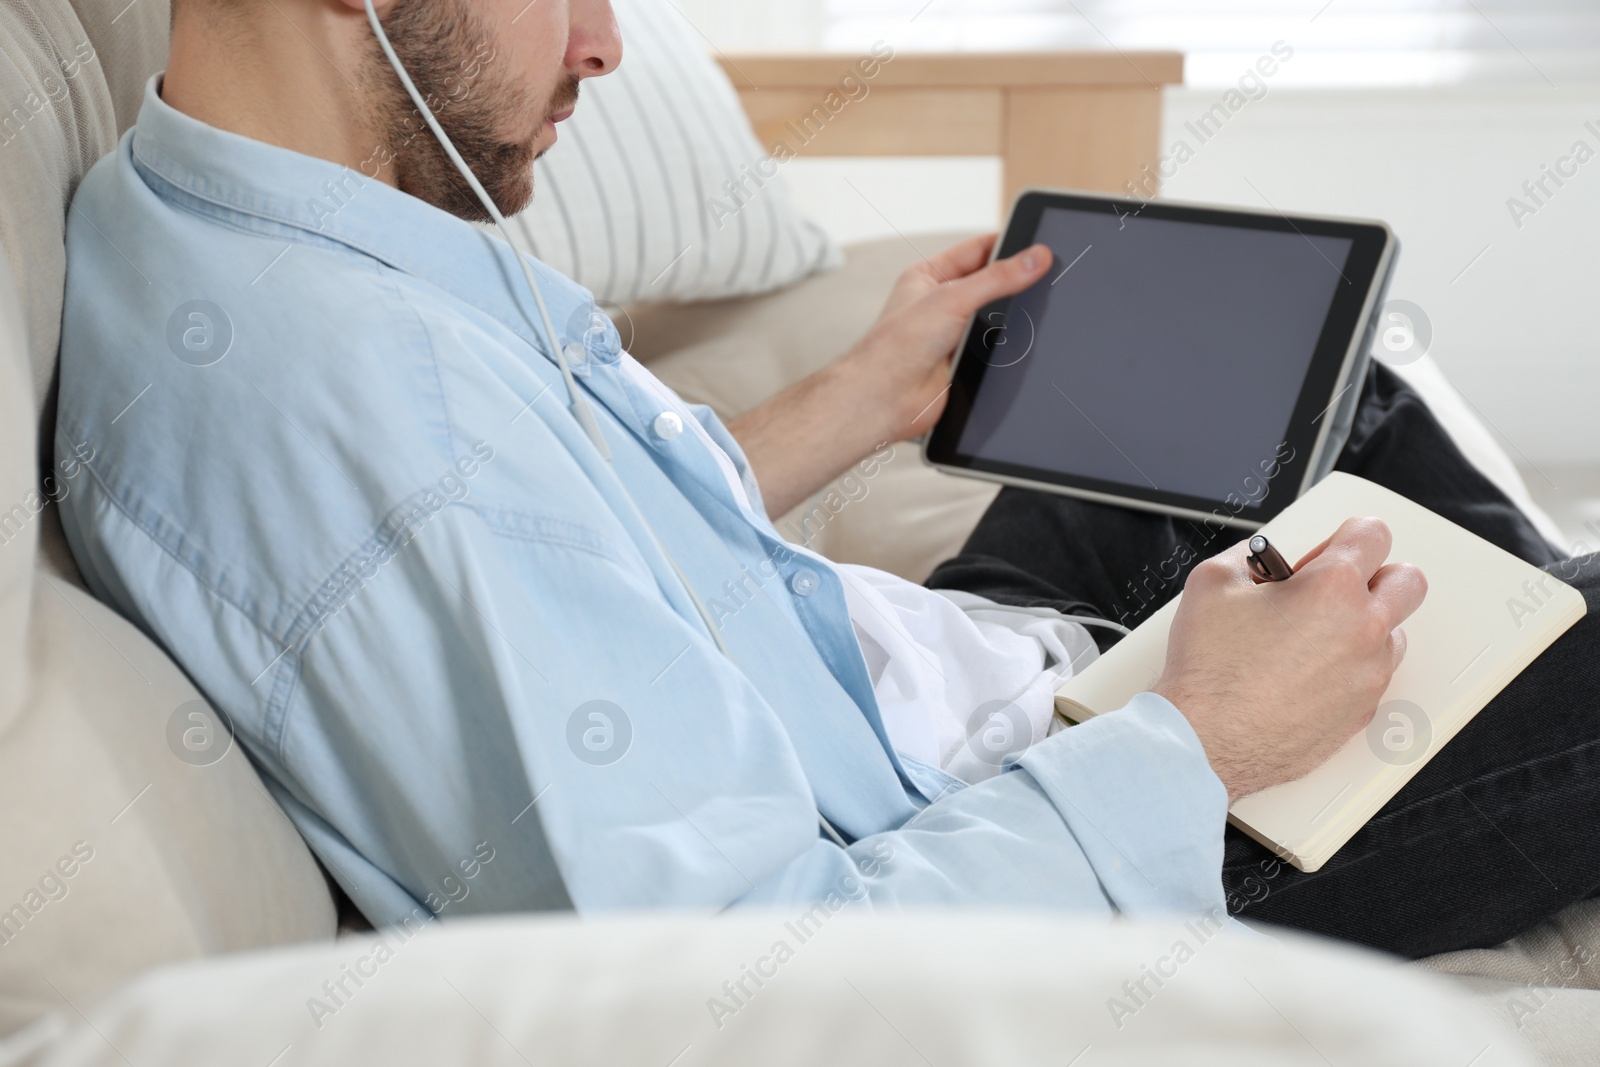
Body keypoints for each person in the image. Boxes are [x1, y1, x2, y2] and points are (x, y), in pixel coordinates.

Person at [55, 0, 1598, 959]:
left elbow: (575, 547)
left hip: (908, 690)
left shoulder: (212, 206)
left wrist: (852, 404)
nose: (603, 41)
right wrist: (1208, 735)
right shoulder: (360, 419)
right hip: (1040, 869)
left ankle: (1500, 714)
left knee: (1314, 390)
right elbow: (757, 976)